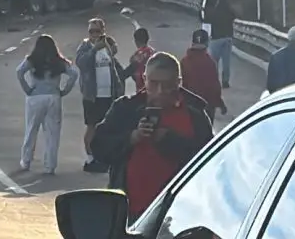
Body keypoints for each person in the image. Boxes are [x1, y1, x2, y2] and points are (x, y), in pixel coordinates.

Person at [90, 52, 214, 222]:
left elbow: (210, 162)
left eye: (167, 85)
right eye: (154, 84)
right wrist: (132, 138)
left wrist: (168, 140)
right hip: (130, 215)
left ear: (178, 82)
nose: (160, 91)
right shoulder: (125, 108)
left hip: (178, 217)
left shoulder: (195, 115)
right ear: (144, 79)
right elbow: (98, 147)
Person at [75, 18, 134, 173]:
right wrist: (94, 49)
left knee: (108, 127)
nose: (94, 34)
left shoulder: (108, 47)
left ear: (103, 31)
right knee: (92, 127)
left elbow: (116, 69)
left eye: (97, 31)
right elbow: (81, 64)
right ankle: (90, 158)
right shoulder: (85, 46)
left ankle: (105, 157)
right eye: (91, 31)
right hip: (93, 96)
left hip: (109, 94)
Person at [16, 34, 79, 175]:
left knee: (31, 129)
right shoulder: (59, 61)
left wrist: (27, 89)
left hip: (35, 97)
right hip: (53, 96)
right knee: (52, 133)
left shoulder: (32, 60)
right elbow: (74, 74)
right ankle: (50, 165)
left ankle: (26, 161)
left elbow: (19, 72)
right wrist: (64, 91)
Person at [181, 29, 225, 120]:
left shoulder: (184, 62)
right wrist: (220, 103)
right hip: (207, 106)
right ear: (207, 43)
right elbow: (215, 86)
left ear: (192, 43)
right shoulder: (210, 62)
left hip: (190, 106)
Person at [201, 0, 237, 88]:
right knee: (226, 62)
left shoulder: (214, 12)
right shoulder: (229, 12)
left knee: (214, 61)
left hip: (216, 39)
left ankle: (215, 81)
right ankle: (225, 81)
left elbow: (205, 19)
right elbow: (235, 16)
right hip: (228, 38)